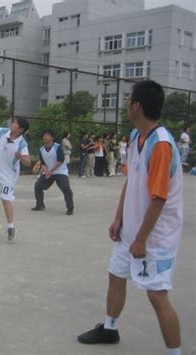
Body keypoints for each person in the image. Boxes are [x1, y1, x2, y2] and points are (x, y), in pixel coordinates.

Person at [77, 80, 184, 355]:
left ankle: (176, 352)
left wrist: (141, 239)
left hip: (153, 238)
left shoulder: (161, 146)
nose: (126, 106)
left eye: (128, 101)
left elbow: (159, 198)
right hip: (131, 230)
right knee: (116, 275)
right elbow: (132, 180)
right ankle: (110, 328)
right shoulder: (137, 136)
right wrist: (118, 219)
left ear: (136, 106)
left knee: (158, 296)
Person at [31, 129, 74, 215]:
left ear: (52, 137)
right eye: (44, 135)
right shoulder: (41, 149)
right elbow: (42, 163)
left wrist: (50, 171)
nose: (45, 137)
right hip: (49, 172)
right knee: (38, 186)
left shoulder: (57, 147)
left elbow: (60, 160)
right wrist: (46, 171)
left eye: (47, 135)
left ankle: (70, 208)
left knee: (66, 188)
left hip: (60, 171)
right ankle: (40, 205)